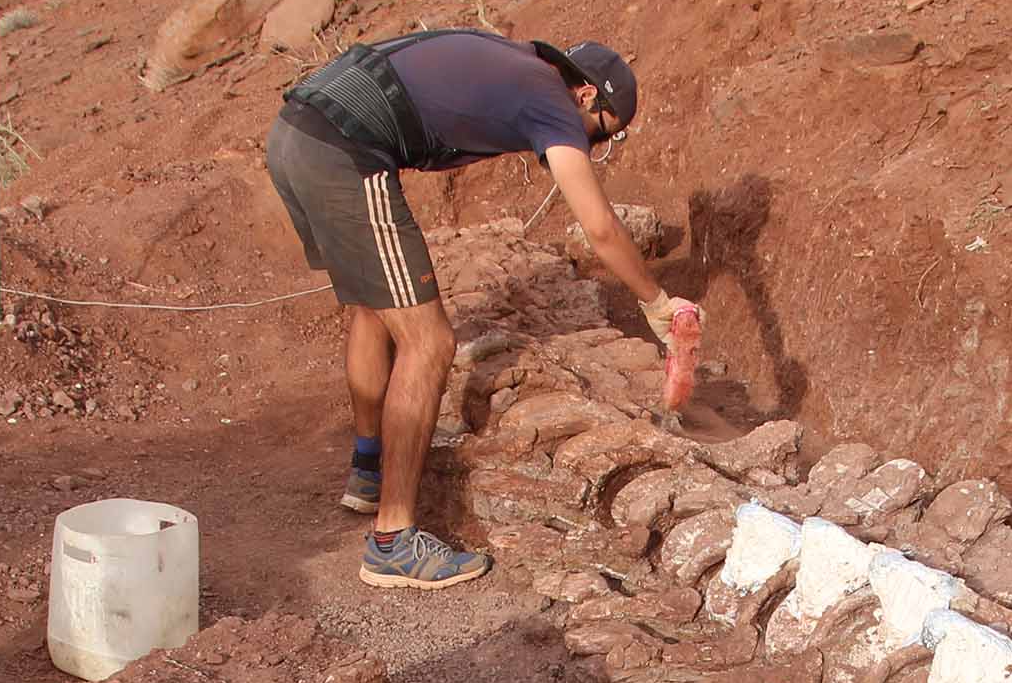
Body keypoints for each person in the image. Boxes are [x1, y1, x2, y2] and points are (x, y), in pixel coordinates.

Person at [265, 29, 698, 589]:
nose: (591, 147)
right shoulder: (552, 99)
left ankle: (367, 470)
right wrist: (658, 304)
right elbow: (599, 227)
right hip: (342, 151)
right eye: (602, 134)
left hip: (296, 132)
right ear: (587, 96)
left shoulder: (514, 63)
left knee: (376, 306)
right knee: (430, 341)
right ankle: (393, 541)